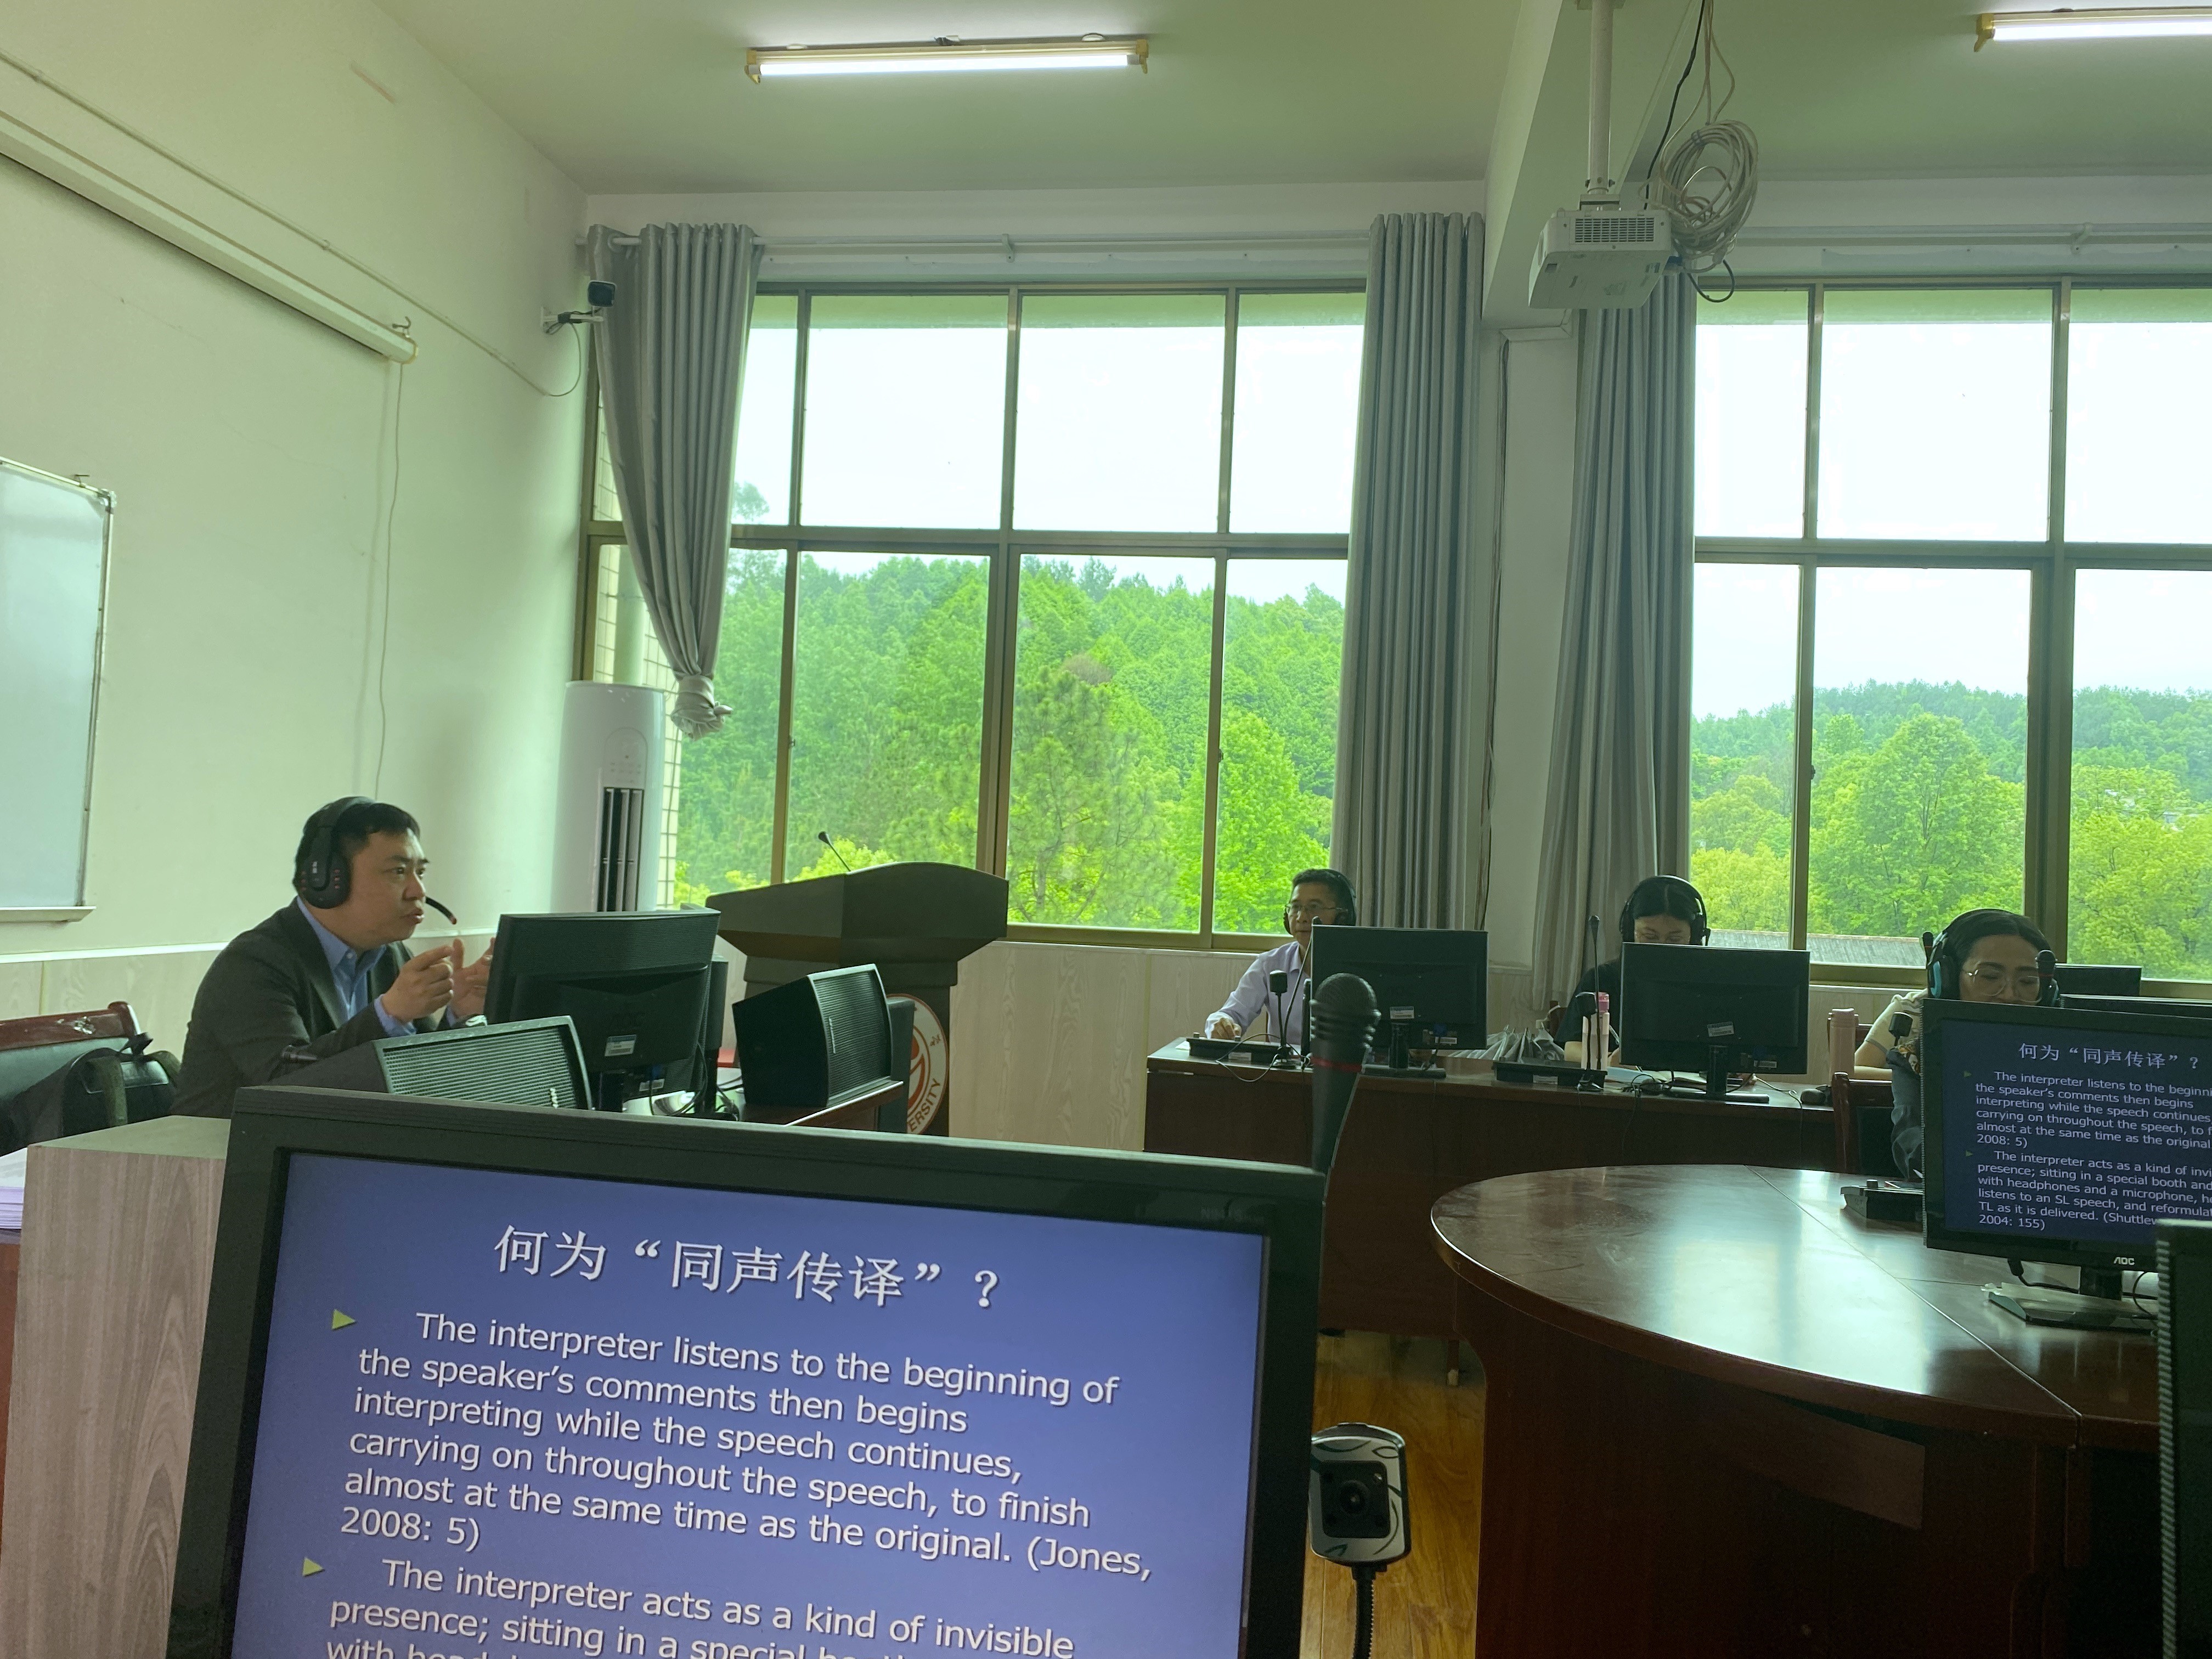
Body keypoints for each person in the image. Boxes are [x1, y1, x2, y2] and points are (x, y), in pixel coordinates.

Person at [175, 798, 494, 1118]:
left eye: (420, 872)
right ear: (327, 880)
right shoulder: (253, 963)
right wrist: (389, 1016)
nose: (418, 891)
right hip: (222, 1147)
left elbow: (414, 1079)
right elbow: (284, 1085)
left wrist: (459, 1015)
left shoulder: (390, 954)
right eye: (398, 872)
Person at [1854, 907, 2055, 1181]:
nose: (2009, 995)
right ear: (1945, 979)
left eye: (2028, 981)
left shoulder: (2069, 1057)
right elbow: (1915, 1151)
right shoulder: (1916, 1060)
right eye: (1990, 977)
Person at [1549, 875, 1711, 1064]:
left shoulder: (1709, 984)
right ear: (1629, 931)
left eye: (1674, 939)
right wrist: (1608, 1061)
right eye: (1650, 937)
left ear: (1694, 936)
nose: (1661, 948)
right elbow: (1571, 1049)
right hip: (1619, 1080)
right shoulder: (1602, 978)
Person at [1204, 868, 1357, 1049]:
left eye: (1314, 907)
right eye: (1296, 907)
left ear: (1342, 918)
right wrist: (1222, 1025)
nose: (1301, 918)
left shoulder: (1364, 965)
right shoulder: (1270, 964)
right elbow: (1232, 1013)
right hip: (1285, 1067)